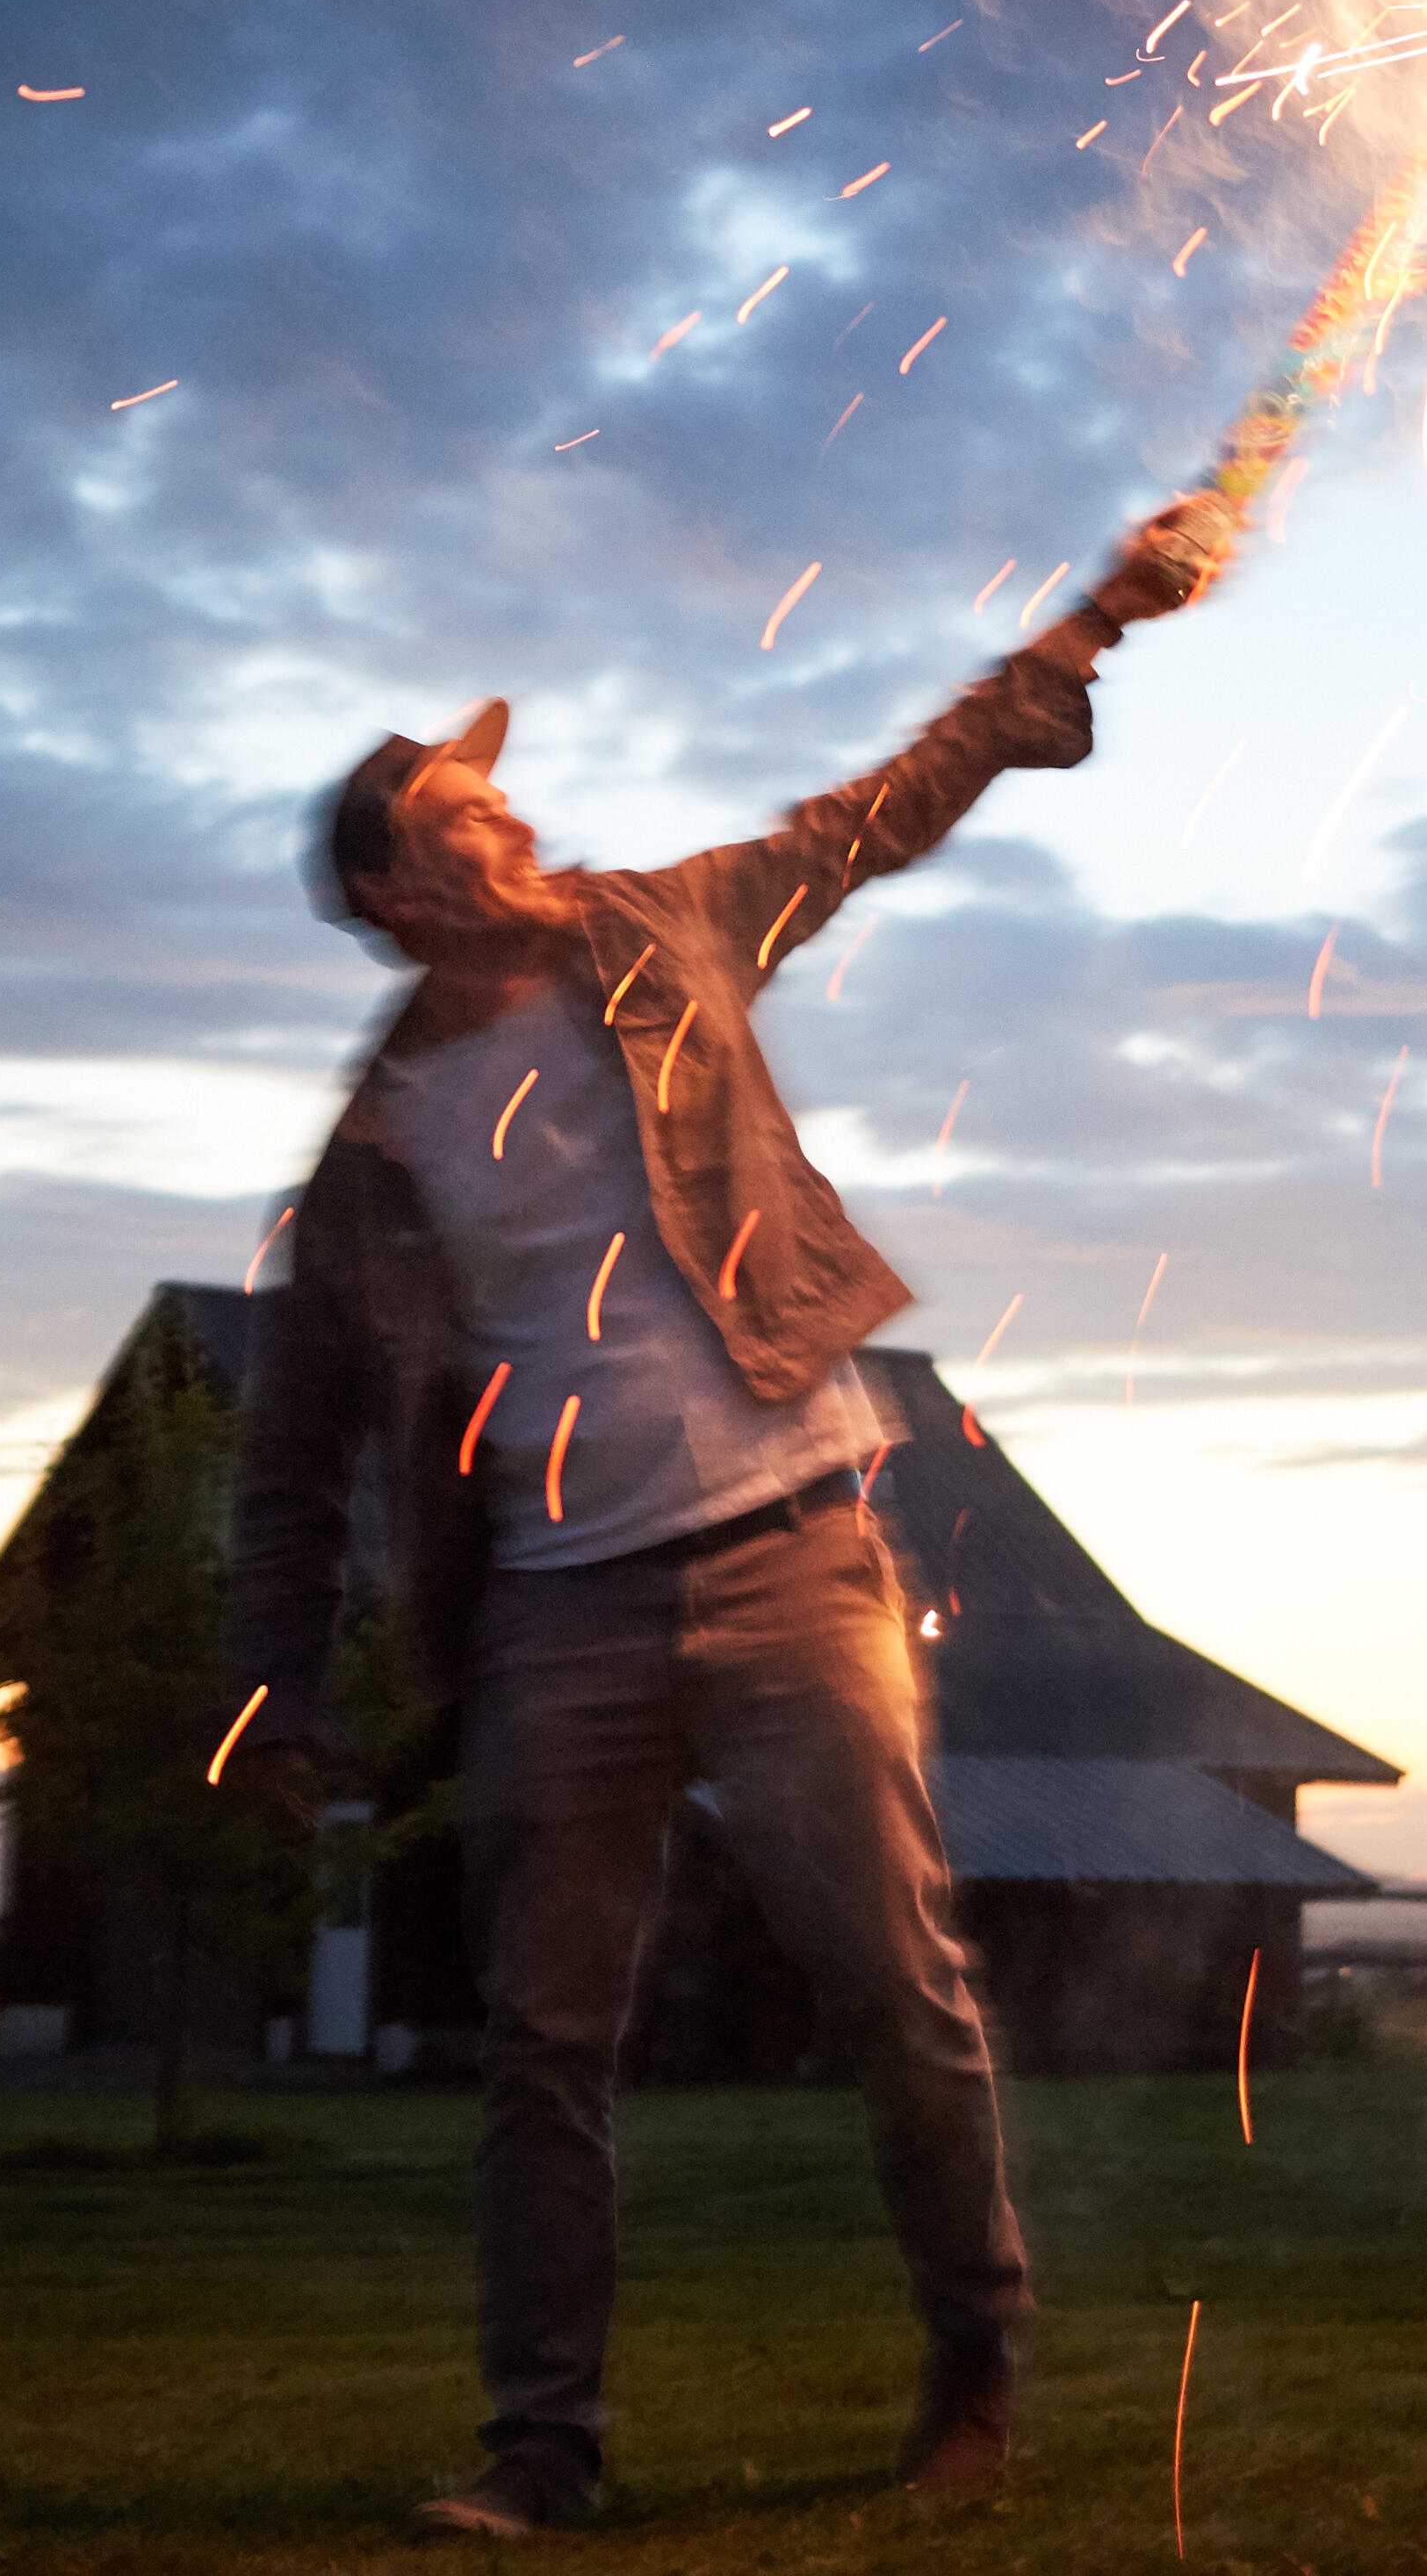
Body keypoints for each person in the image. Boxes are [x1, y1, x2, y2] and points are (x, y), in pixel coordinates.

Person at [219, 493, 1239, 2538]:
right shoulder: (375, 1153)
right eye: (462, 822)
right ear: (396, 899)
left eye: (499, 805)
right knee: (542, 2046)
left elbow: (875, 811)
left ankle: (977, 2364)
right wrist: (272, 1663)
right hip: (559, 1623)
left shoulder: (667, 929)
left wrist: (1096, 626)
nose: (515, 825)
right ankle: (541, 2452)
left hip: (795, 1552)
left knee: (900, 1992)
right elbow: (300, 1422)